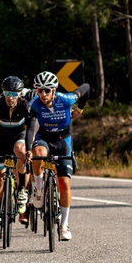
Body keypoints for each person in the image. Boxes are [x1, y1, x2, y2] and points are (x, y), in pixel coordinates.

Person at [26, 71, 91, 241]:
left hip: (63, 140)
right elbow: (31, 129)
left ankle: (64, 224)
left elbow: (86, 87)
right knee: (38, 154)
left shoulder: (66, 99)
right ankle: (39, 189)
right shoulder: (34, 104)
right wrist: (28, 149)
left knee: (64, 183)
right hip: (44, 138)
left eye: (47, 90)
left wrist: (80, 108)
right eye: (39, 90)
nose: (43, 94)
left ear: (54, 90)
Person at [0, 76, 31, 235]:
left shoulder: (24, 105)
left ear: (20, 94)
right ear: (3, 93)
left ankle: (22, 189)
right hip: (1, 142)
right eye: (7, 93)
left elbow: (29, 129)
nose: (10, 97)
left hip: (18, 138)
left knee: (20, 150)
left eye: (14, 94)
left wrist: (29, 148)